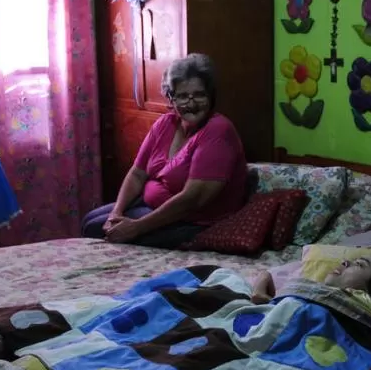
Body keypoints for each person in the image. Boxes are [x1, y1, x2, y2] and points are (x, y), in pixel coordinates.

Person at [81, 54, 248, 248]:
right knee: (91, 220)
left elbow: (192, 200)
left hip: (194, 221)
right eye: (183, 96)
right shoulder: (166, 123)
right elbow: (137, 173)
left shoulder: (218, 130)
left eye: (200, 95)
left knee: (94, 228)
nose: (192, 104)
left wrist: (136, 228)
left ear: (211, 96)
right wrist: (116, 213)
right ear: (171, 98)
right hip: (152, 205)